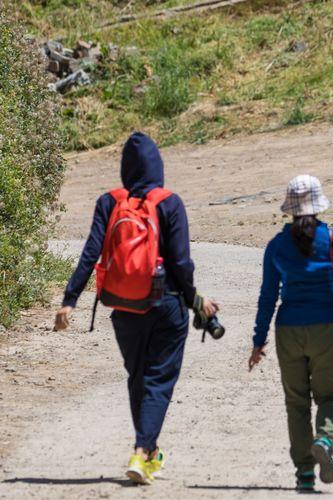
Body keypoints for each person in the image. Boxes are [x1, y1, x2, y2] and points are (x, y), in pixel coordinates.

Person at [53, 132, 219, 485]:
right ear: (159, 165)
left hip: (123, 307)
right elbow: (180, 264)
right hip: (166, 306)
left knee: (138, 378)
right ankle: (142, 452)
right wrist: (196, 301)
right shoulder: (169, 202)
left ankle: (150, 452)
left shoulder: (109, 202)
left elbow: (90, 252)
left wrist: (70, 299)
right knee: (159, 379)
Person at [248, 174, 333, 492]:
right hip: (327, 329)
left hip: (288, 331)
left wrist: (258, 342)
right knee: (330, 396)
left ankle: (305, 474)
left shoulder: (276, 245)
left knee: (296, 403)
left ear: (290, 209)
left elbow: (267, 297)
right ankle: (325, 439)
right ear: (319, 205)